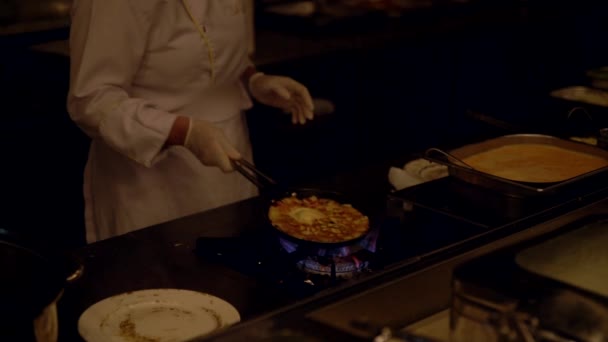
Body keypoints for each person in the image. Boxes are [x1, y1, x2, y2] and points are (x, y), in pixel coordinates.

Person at [67, 0, 315, 243]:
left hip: (230, 163)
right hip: (150, 181)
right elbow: (92, 99)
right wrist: (183, 132)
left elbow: (206, 49)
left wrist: (253, 79)